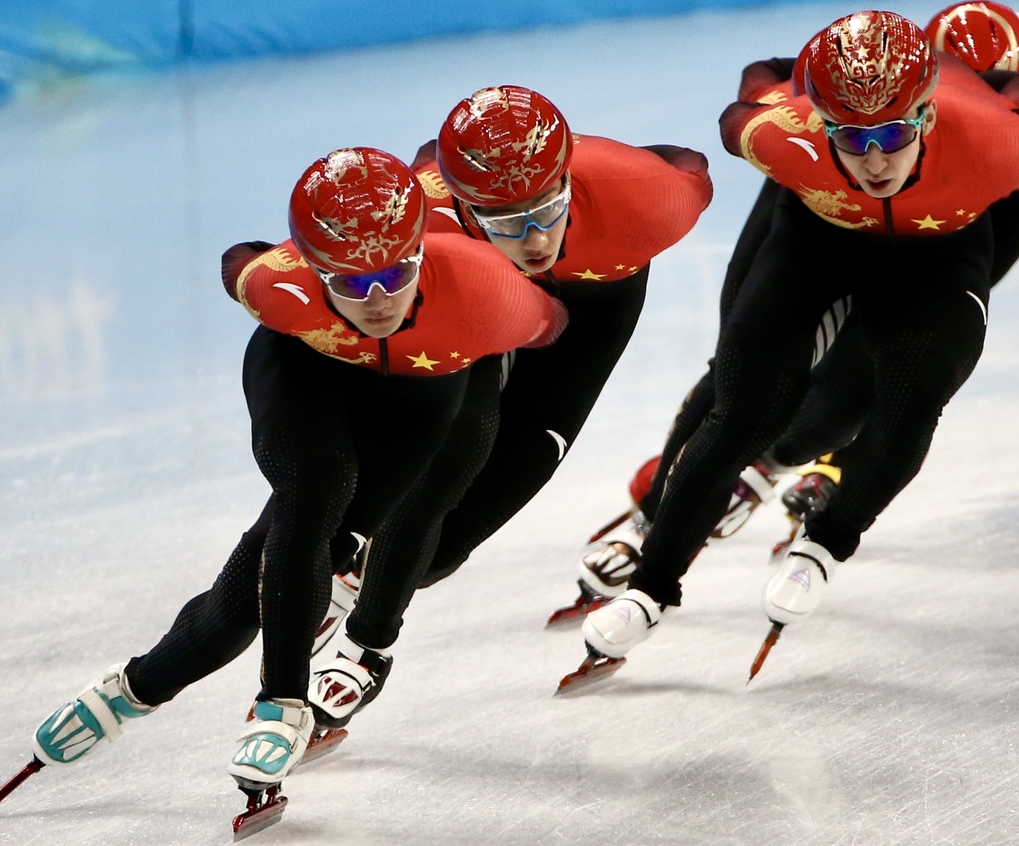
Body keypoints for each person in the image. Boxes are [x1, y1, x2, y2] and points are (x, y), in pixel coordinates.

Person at [0, 147, 566, 828]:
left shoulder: (491, 292)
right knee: (315, 494)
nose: (378, 300)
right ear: (316, 271)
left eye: (393, 274)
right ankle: (279, 704)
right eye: (353, 286)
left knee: (258, 592)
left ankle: (134, 686)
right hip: (305, 373)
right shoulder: (278, 288)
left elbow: (553, 331)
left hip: (423, 388)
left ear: (421, 250)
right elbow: (240, 260)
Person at [569, 0, 1019, 609]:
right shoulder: (861, 113)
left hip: (969, 209)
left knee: (877, 371)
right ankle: (659, 523)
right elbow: (779, 78)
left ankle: (795, 458)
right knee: (742, 361)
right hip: (833, 197)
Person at [305, 86, 713, 727]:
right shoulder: (427, 214)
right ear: (460, 204)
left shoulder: (649, 195)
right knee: (453, 447)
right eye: (503, 220)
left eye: (546, 208)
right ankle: (366, 644)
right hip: (485, 295)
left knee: (506, 480)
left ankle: (370, 587)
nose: (531, 239)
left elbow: (694, 162)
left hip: (593, 304)